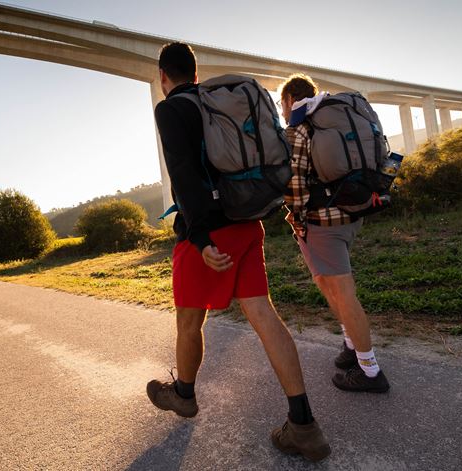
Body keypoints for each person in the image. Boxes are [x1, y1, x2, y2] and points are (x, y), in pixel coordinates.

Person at [147, 43, 330, 462]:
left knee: (189, 320)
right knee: (263, 313)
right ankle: (304, 426)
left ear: (162, 76)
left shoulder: (171, 109)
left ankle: (185, 395)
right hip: (249, 221)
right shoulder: (215, 102)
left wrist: (201, 239)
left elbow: (184, 175)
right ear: (195, 74)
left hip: (212, 230)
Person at [278, 74, 390, 393]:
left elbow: (294, 184)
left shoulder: (300, 127)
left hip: (323, 223)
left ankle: (369, 371)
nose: (282, 111)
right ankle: (351, 346)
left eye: (281, 104)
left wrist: (296, 218)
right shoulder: (339, 115)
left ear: (289, 100)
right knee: (327, 283)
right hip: (354, 213)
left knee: (342, 291)